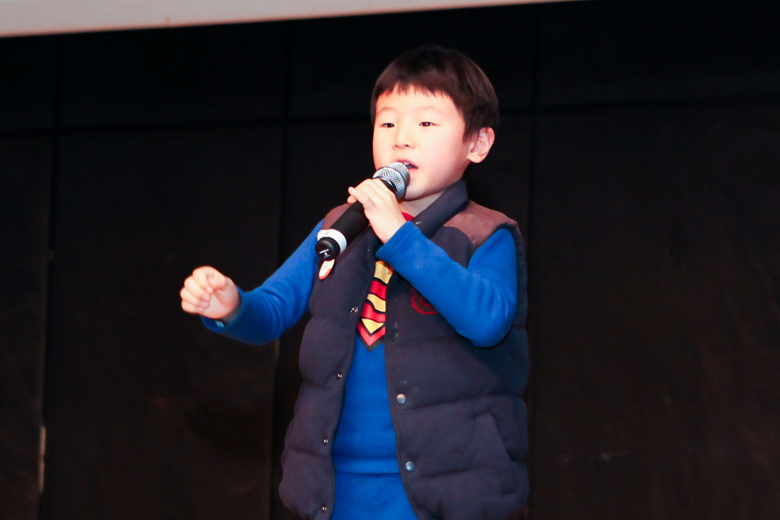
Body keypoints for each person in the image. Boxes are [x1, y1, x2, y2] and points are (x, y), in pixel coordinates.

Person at [179, 46, 528, 520]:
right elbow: (273, 310)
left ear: (478, 144)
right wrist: (232, 306)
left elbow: (488, 321)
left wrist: (399, 236)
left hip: (444, 489)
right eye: (388, 123)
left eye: (426, 123)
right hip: (337, 487)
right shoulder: (339, 227)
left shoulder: (485, 234)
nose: (402, 139)